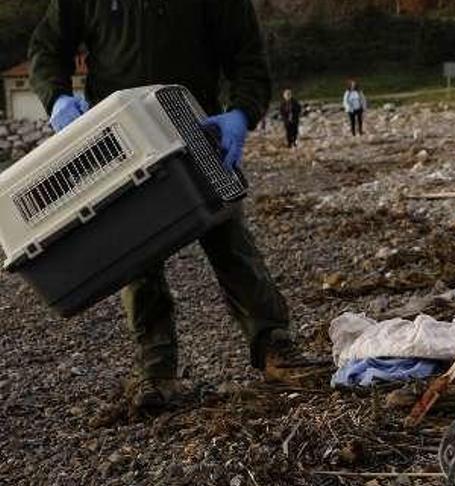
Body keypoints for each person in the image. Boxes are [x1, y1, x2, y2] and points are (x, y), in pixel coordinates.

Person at [29, 0, 300, 411]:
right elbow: (47, 47)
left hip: (195, 127)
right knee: (135, 256)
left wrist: (241, 114)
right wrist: (58, 99)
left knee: (228, 238)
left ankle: (274, 345)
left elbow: (247, 57)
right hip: (117, 141)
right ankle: (156, 371)